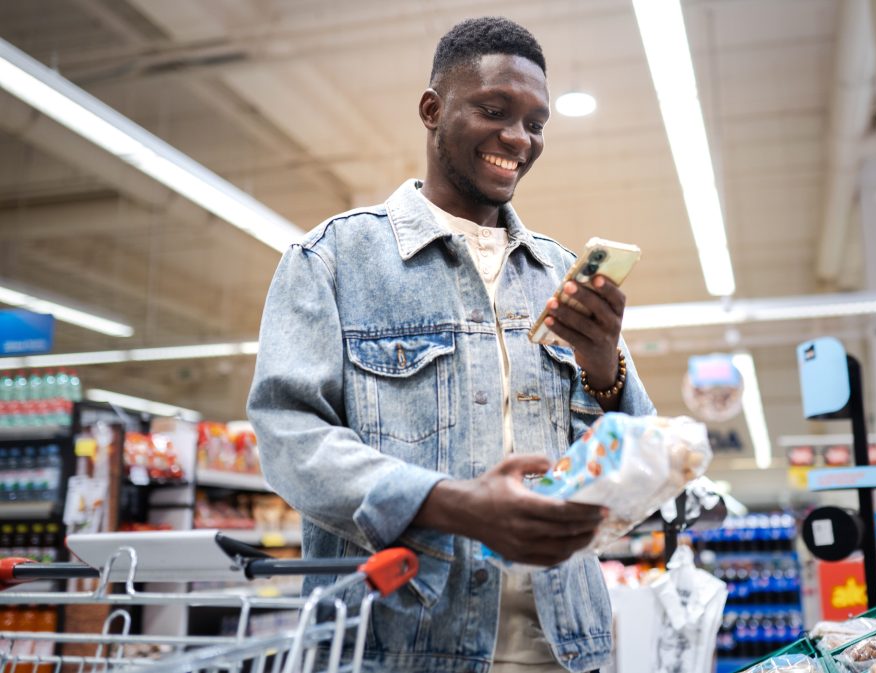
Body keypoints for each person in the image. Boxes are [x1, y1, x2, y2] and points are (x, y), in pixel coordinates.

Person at [247, 16, 656, 673]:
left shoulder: (560, 273)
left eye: (536, 123)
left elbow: (643, 471)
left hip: (567, 648)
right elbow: (288, 436)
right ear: (432, 110)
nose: (518, 138)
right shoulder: (333, 260)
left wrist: (605, 368)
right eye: (494, 110)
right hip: (393, 648)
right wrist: (454, 504)